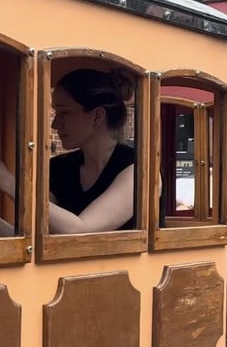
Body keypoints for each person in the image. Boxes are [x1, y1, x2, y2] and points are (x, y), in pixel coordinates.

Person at [0, 68, 136, 234]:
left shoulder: (138, 169)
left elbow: (80, 231)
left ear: (97, 116)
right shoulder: (60, 167)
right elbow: (38, 240)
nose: (55, 124)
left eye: (64, 112)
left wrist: (7, 182)